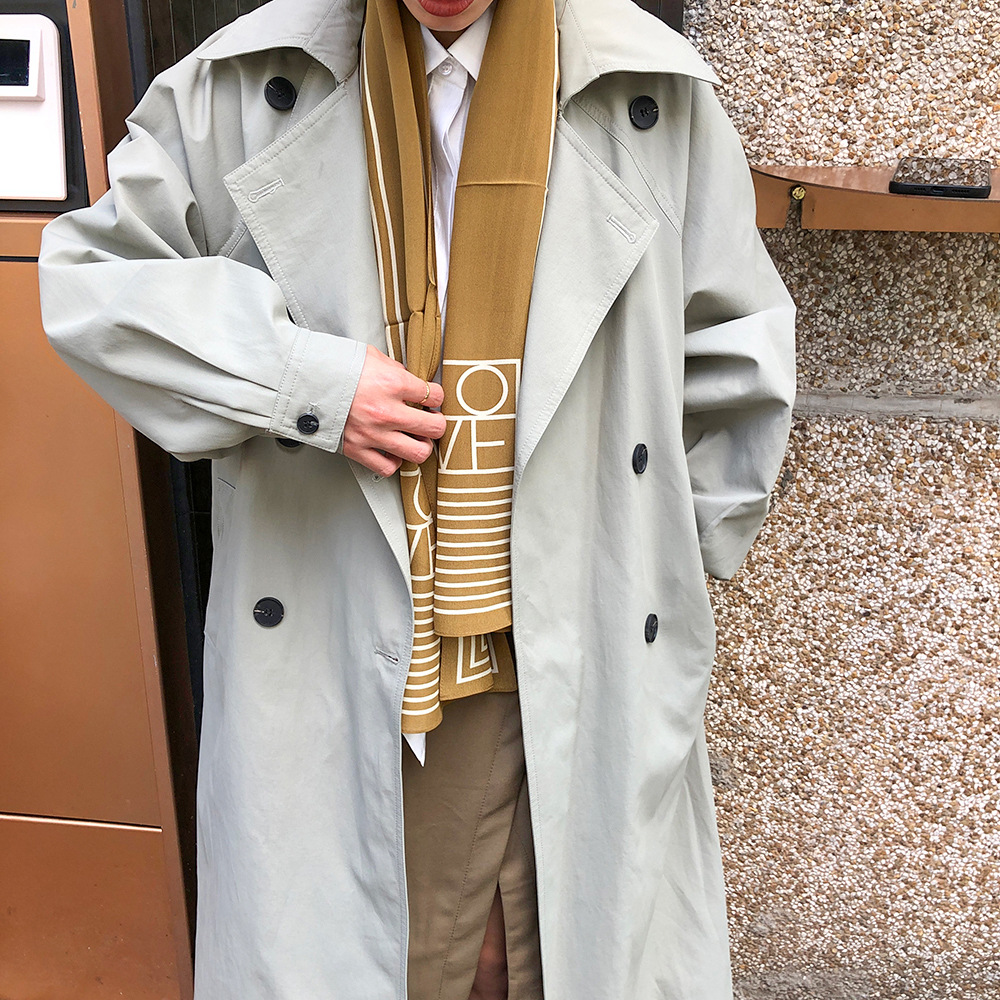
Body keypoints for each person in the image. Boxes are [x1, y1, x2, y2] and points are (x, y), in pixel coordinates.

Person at [38, 0, 796, 996]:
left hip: (574, 635)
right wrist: (301, 382)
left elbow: (737, 352)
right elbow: (93, 282)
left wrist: (646, 569)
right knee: (402, 957)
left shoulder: (648, 89)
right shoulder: (240, 84)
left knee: (530, 956)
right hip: (334, 627)